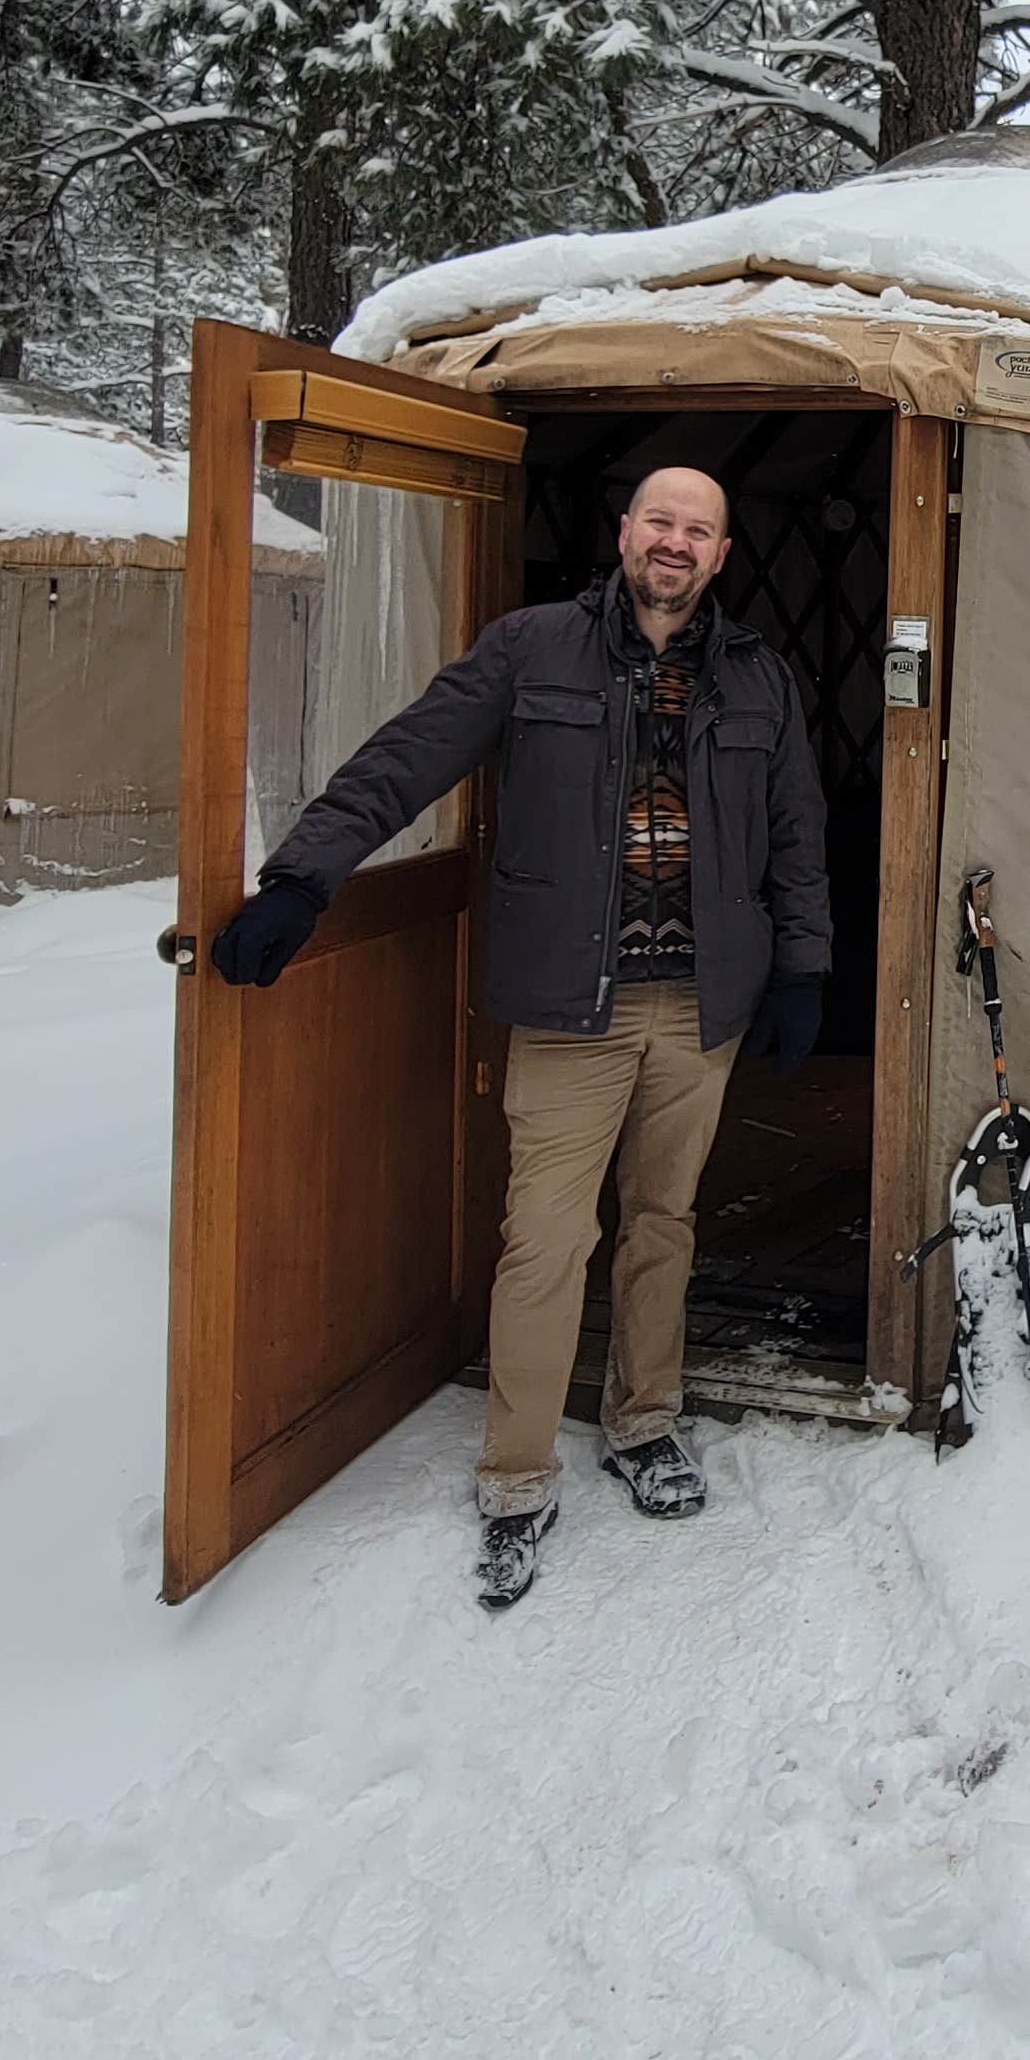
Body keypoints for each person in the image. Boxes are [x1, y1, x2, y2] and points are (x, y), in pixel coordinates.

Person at [208, 465, 828, 1609]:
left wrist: (801, 965)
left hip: (703, 1007)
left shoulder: (759, 679)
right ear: (624, 529)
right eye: (660, 522)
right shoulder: (532, 649)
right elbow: (405, 757)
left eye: (699, 530)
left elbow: (797, 834)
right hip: (570, 1007)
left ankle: (644, 1424)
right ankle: (516, 1475)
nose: (676, 544)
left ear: (725, 554)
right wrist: (303, 879)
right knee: (545, 1237)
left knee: (662, 1221)